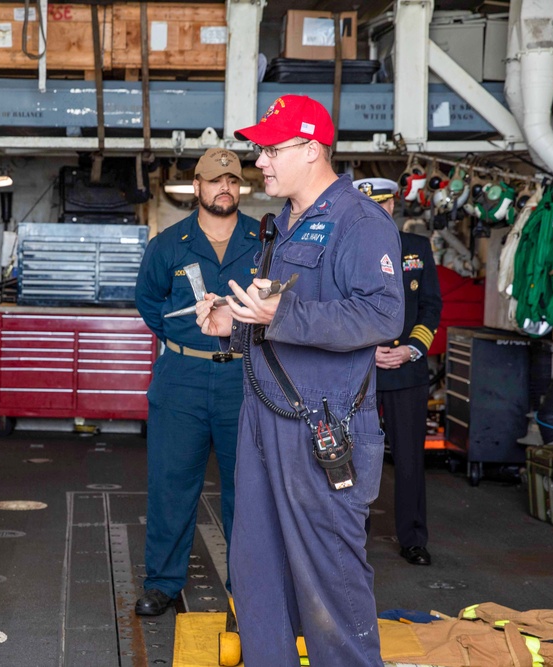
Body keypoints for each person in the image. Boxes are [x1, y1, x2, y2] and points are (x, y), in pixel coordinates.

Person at [196, 96, 404, 666]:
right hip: (263, 418)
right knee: (257, 571)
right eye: (260, 148)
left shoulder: (360, 222)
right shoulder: (284, 226)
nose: (259, 161)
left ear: (311, 150)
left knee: (328, 579)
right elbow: (270, 317)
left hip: (322, 426)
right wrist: (230, 327)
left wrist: (277, 317)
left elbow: (383, 315)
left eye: (271, 148)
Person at [133, 148, 261, 616]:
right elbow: (148, 302)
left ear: (239, 187)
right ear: (197, 188)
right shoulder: (169, 244)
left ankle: (246, 585)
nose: (224, 187)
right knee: (171, 485)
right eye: (214, 180)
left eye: (232, 180)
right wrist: (185, 338)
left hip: (244, 379)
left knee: (245, 489)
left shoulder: (263, 240)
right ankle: (163, 583)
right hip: (182, 379)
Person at [354, 177, 442, 567]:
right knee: (354, 458)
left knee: (409, 458)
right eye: (368, 203)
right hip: (360, 372)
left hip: (406, 371)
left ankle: (414, 539)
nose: (378, 209)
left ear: (392, 205)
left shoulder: (417, 249)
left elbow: (431, 306)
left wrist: (412, 349)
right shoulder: (347, 248)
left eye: (384, 203)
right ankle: (354, 537)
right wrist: (362, 348)